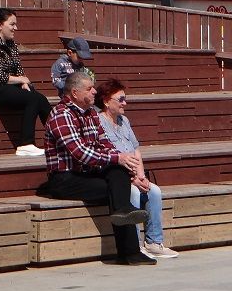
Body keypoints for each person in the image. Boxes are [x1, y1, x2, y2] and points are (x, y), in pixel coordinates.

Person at [44, 72, 152, 265]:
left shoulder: (91, 113)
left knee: (118, 175)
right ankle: (129, 252)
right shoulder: (61, 114)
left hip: (87, 174)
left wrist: (126, 165)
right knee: (117, 190)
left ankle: (129, 244)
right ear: (74, 93)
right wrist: (117, 157)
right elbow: (80, 153)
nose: (94, 91)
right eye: (89, 88)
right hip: (64, 179)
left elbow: (105, 144)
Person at [95, 79, 178, 258]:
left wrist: (141, 176)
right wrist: (132, 179)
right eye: (121, 99)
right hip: (116, 176)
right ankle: (134, 246)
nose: (125, 103)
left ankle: (154, 242)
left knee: (153, 191)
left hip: (134, 174)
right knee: (131, 193)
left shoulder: (124, 121)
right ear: (106, 101)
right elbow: (109, 156)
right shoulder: (99, 122)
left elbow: (136, 150)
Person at [0, 8, 51, 157]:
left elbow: (19, 69)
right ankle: (26, 144)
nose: (16, 28)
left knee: (40, 98)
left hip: (5, 88)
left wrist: (24, 83)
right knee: (32, 98)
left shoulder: (11, 45)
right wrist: (21, 79)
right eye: (12, 24)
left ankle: (58, 139)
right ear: (0, 25)